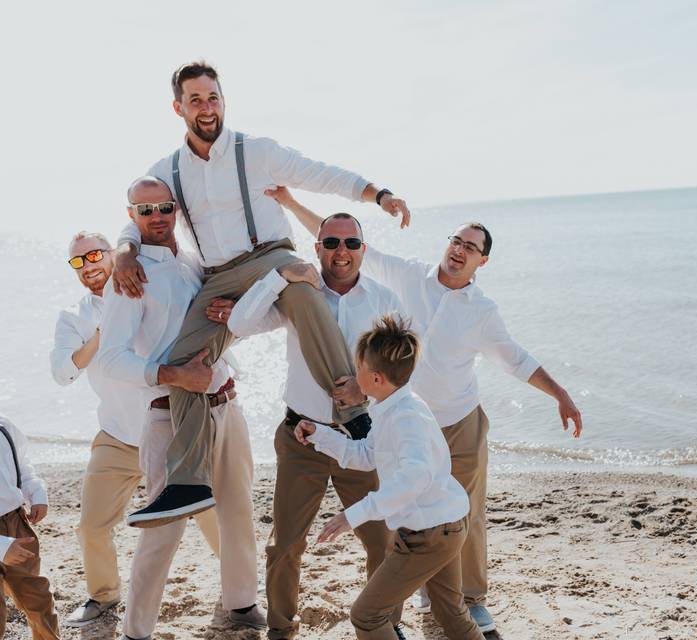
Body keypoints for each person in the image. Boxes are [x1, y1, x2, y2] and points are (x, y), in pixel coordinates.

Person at [111, 61, 412, 525]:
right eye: (195, 100)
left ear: (223, 100)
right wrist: (124, 250)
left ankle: (355, 414)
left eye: (213, 98)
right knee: (187, 358)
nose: (206, 108)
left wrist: (380, 195)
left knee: (306, 294)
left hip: (272, 255)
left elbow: (321, 173)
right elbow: (138, 210)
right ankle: (188, 479)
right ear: (179, 107)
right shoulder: (166, 170)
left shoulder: (257, 151)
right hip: (217, 274)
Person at [272, 188, 583, 633]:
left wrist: (560, 394)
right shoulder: (407, 276)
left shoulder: (482, 311)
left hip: (458, 422)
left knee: (464, 512)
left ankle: (471, 598)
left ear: (482, 262)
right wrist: (289, 201)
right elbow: (343, 245)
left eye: (471, 247)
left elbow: (515, 359)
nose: (460, 250)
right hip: (402, 420)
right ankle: (417, 587)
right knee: (408, 509)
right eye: (456, 241)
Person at [99, 176, 263, 638]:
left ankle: (242, 603)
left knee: (237, 511)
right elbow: (112, 357)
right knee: (163, 527)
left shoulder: (193, 261)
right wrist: (175, 376)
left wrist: (235, 317)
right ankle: (137, 631)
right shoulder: (129, 275)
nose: (157, 218)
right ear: (130, 215)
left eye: (164, 208)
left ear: (177, 209)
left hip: (226, 403)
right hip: (167, 414)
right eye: (144, 211)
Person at [226, 213, 403, 639]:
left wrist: (364, 392)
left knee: (382, 543)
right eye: (331, 243)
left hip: (361, 441)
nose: (341, 252)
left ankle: (383, 627)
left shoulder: (383, 300)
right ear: (317, 248)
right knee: (285, 545)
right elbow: (239, 323)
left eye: (351, 243)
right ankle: (281, 629)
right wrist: (278, 278)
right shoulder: (296, 296)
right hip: (302, 439)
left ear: (363, 248)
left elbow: (407, 369)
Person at [296, 316, 483, 640]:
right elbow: (367, 455)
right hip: (442, 524)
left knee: (367, 616)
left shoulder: (406, 416)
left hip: (431, 533)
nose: (355, 375)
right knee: (451, 613)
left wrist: (354, 514)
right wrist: (319, 435)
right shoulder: (390, 407)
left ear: (377, 378)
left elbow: (416, 475)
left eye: (359, 369)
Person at [50, 232, 149, 626]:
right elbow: (63, 372)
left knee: (213, 515)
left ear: (112, 254)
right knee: (91, 527)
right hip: (116, 436)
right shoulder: (74, 317)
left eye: (94, 254)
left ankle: (241, 598)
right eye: (78, 261)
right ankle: (103, 596)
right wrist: (103, 330)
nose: (88, 265)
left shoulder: (147, 290)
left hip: (169, 429)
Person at [0, 412, 59, 640]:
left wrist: (36, 492)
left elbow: (21, 464)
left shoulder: (4, 425)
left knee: (37, 596)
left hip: (14, 523)